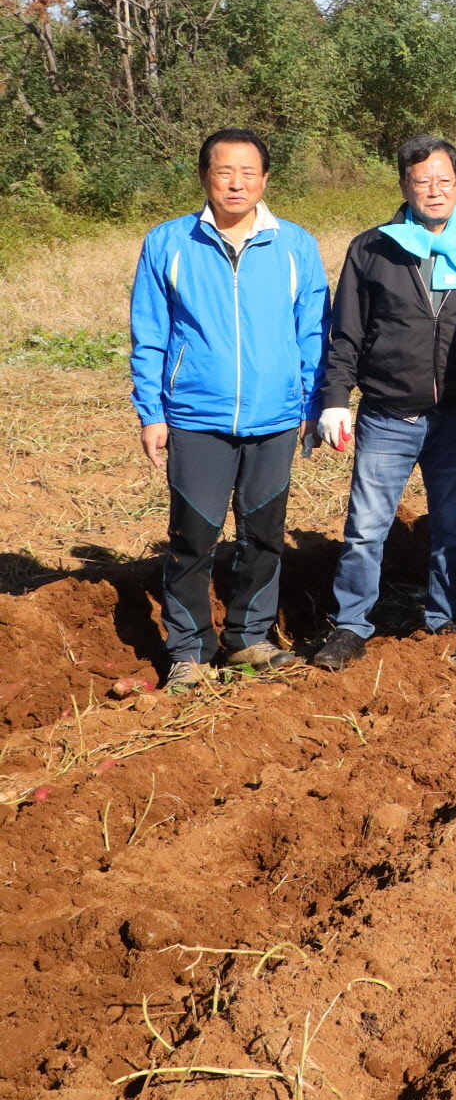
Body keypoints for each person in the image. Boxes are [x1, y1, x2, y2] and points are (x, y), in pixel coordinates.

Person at [128, 129, 327, 693]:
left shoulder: (295, 245)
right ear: (204, 177)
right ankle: (189, 649)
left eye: (247, 172)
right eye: (223, 171)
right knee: (194, 538)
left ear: (265, 180)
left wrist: (311, 403)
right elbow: (150, 333)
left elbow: (313, 332)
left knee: (264, 534)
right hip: (195, 416)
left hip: (276, 419)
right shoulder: (168, 243)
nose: (235, 182)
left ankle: (249, 639)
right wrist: (151, 410)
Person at [311, 136, 456, 669]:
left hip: (455, 416)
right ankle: (352, 624)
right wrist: (335, 398)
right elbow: (346, 332)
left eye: (444, 180)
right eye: (422, 180)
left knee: (452, 526)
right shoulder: (373, 248)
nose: (434, 190)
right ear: (404, 185)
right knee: (366, 529)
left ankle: (442, 617)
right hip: (387, 415)